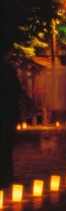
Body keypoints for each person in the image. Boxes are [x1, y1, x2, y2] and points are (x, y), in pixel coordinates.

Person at [0, 50, 26, 188]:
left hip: (6, 111)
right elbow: (17, 89)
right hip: (8, 111)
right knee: (7, 145)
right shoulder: (8, 69)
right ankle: (7, 176)